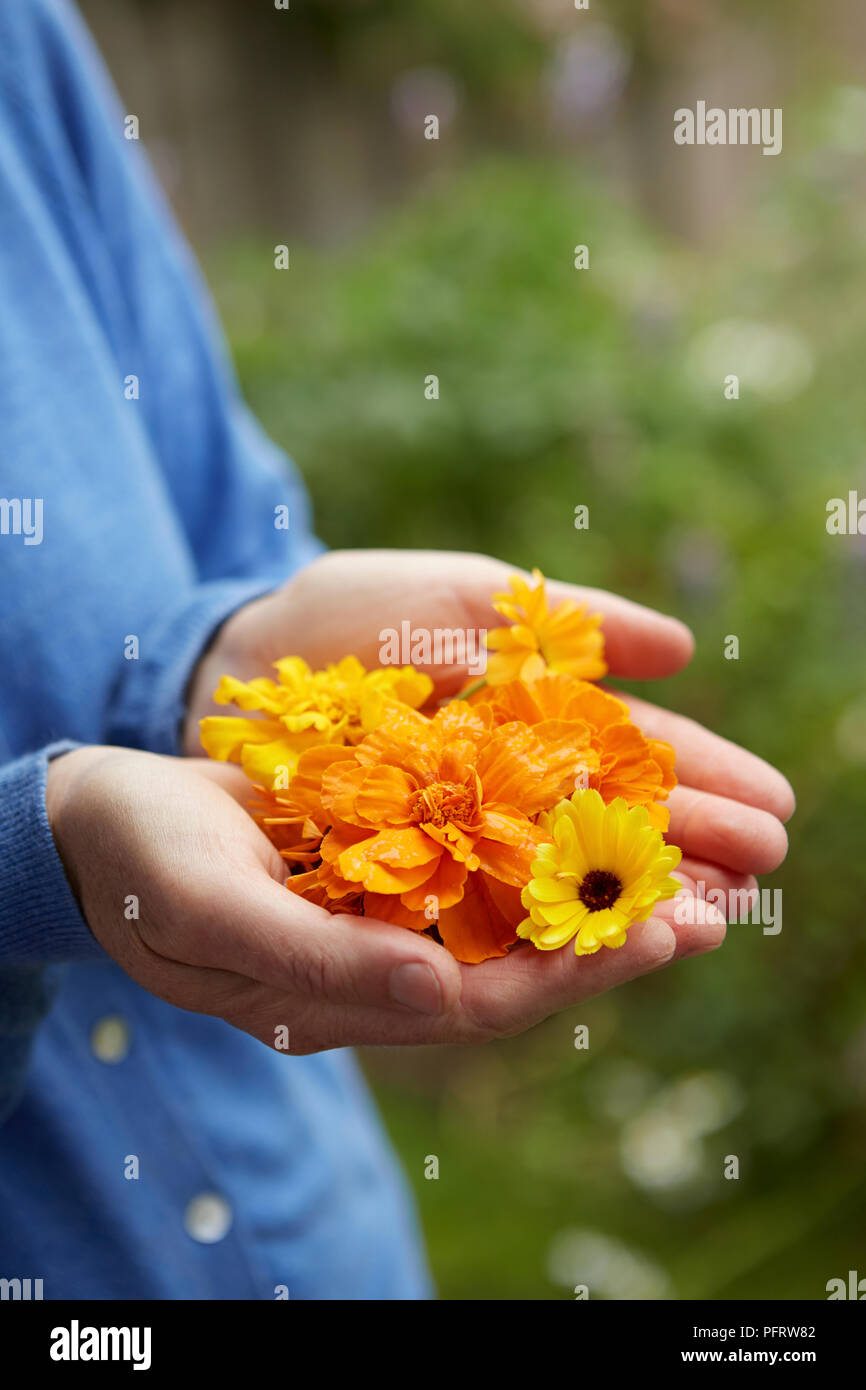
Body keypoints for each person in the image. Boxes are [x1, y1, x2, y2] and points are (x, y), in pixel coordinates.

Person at [0, 0, 793, 1300]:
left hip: (316, 1232)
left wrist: (229, 657)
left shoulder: (20, 40)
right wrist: (39, 857)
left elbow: (218, 533)